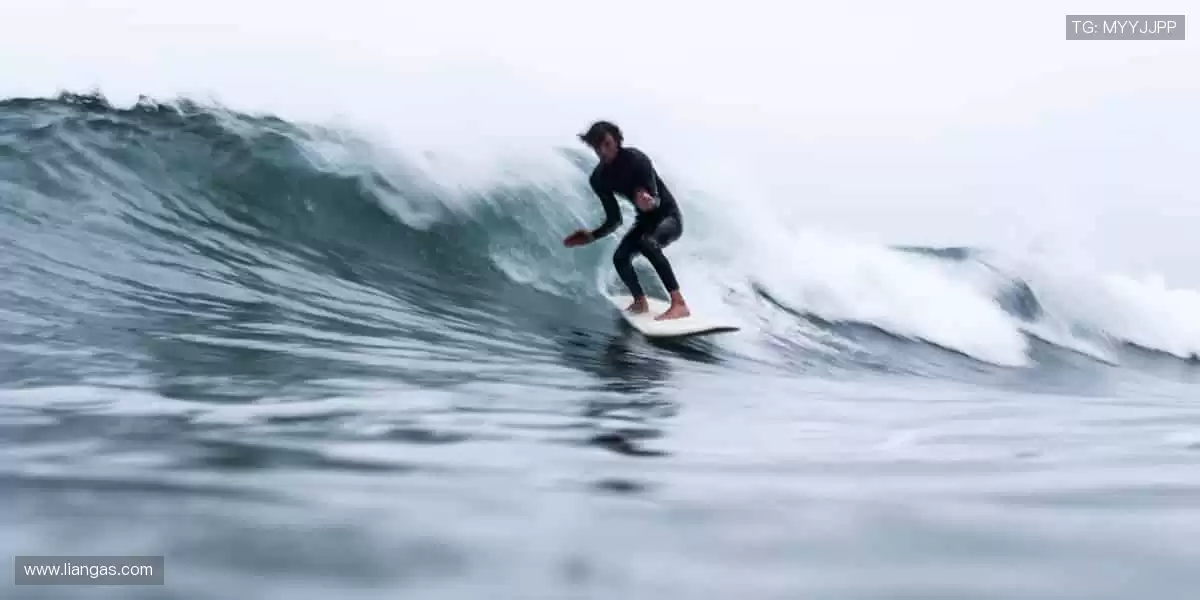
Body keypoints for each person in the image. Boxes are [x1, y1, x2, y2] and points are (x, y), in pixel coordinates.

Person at [563, 120, 691, 321]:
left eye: (607, 144)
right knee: (620, 258)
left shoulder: (637, 159)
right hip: (645, 222)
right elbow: (615, 219)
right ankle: (640, 301)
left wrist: (648, 201)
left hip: (668, 217)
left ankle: (679, 303)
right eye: (597, 146)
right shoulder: (599, 179)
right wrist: (591, 236)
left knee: (648, 243)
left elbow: (654, 198)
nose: (603, 151)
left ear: (617, 140)